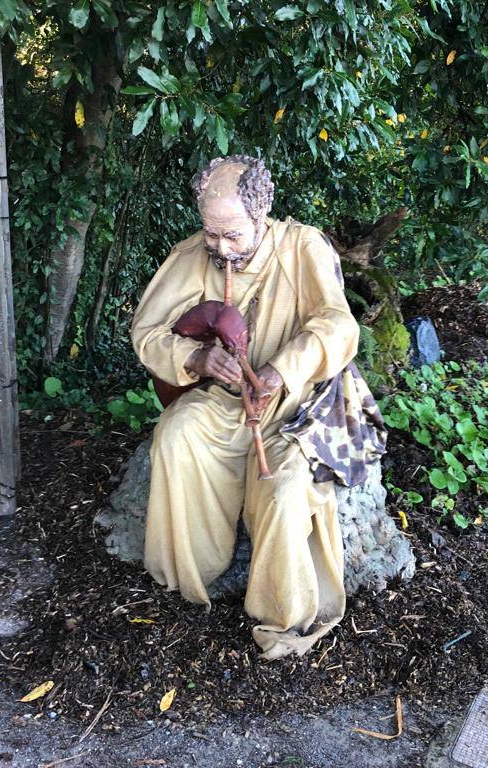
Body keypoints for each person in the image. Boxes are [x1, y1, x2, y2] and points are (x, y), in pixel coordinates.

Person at [130, 155, 381, 660]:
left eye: (234, 236)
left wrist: (282, 370)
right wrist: (196, 357)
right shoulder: (192, 256)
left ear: (261, 215)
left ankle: (281, 616)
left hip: (294, 407)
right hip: (222, 404)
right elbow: (146, 333)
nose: (222, 249)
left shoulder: (302, 247)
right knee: (177, 435)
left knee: (286, 488)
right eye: (212, 235)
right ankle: (192, 581)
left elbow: (339, 325)